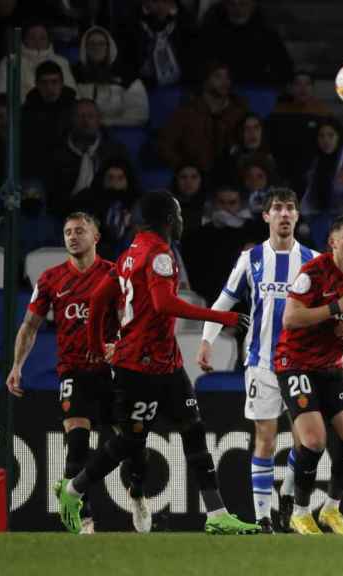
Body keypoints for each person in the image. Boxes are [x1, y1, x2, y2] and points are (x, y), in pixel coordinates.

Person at [55, 190, 259, 535]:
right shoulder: (159, 253)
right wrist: (219, 316)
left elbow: (96, 299)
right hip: (140, 366)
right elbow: (165, 304)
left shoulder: (132, 251)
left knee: (193, 430)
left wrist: (97, 345)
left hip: (167, 363)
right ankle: (73, 489)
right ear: (167, 217)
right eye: (177, 213)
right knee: (130, 443)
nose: (180, 220)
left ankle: (216, 514)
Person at [6, 212, 148, 534]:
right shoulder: (51, 279)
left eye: (80, 231)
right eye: (68, 232)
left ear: (95, 237)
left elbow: (137, 322)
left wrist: (122, 347)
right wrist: (17, 366)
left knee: (134, 446)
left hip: (114, 373)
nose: (72, 237)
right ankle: (85, 522)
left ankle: (137, 492)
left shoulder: (114, 276)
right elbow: (29, 326)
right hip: (74, 372)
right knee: (77, 447)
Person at [198, 187, 328, 533]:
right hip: (262, 364)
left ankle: (287, 495)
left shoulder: (315, 262)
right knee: (266, 438)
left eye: (290, 208)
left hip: (303, 365)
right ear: (266, 216)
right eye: (278, 209)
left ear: (297, 216)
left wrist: (340, 355)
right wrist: (206, 341)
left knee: (306, 442)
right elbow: (223, 302)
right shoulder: (251, 259)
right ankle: (263, 517)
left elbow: (328, 315)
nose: (284, 214)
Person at [275, 215, 343, 534]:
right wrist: (336, 307)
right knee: (314, 440)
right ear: (333, 241)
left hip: (331, 366)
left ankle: (331, 509)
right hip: (294, 362)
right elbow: (290, 319)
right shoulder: (313, 273)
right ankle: (299, 512)